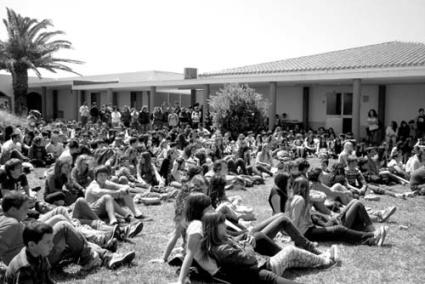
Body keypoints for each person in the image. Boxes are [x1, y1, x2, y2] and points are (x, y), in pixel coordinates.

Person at [201, 212, 337, 284]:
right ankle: (325, 261)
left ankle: (322, 258)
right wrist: (247, 245)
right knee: (290, 251)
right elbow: (250, 259)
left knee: (292, 259)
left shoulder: (219, 240)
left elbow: (237, 242)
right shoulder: (222, 248)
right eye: (222, 224)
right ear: (214, 228)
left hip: (263, 263)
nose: (225, 226)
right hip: (264, 266)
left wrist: (244, 239)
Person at [285, 177, 388, 247]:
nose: (309, 189)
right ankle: (372, 236)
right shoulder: (300, 200)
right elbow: (294, 221)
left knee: (353, 206)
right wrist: (295, 239)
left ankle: (372, 235)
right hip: (307, 233)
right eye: (308, 187)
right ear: (304, 188)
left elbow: (289, 218)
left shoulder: (295, 199)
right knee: (339, 230)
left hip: (310, 230)